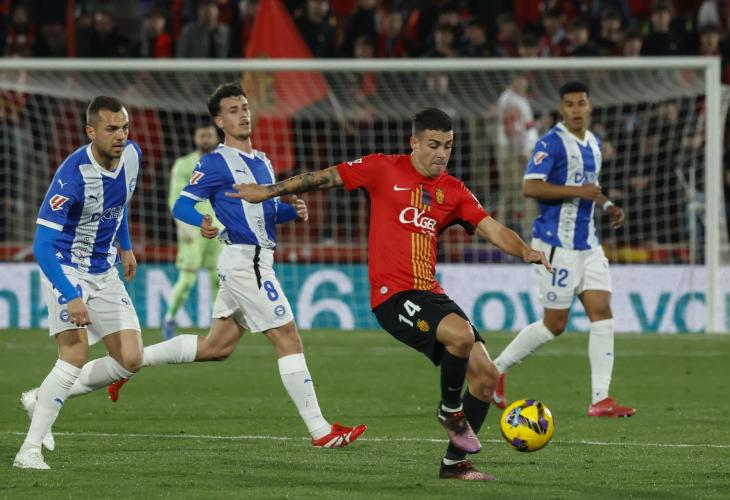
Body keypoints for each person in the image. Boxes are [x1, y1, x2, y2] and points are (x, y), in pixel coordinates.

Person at [227, 107, 552, 481]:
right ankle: (450, 411)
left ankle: (454, 464)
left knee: (486, 376)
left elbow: (491, 228)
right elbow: (325, 177)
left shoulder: (453, 191)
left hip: (430, 293)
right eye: (433, 145)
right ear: (414, 143)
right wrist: (268, 191)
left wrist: (525, 250)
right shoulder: (382, 168)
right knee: (461, 336)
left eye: (447, 146)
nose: (441, 154)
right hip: (392, 296)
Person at [109, 82, 366, 449]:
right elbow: (181, 204)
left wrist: (291, 212)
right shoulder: (215, 162)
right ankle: (321, 431)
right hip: (246, 262)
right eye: (233, 110)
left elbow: (266, 214)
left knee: (217, 347)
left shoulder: (262, 161)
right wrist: (202, 221)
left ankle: (129, 363)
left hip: (254, 258)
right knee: (288, 338)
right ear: (219, 121)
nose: (243, 114)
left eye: (244, 107)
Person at [491, 81, 636, 419]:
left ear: (589, 106)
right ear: (561, 109)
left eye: (581, 103)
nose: (576, 109)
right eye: (569, 104)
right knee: (554, 325)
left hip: (589, 244)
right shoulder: (550, 143)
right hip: (557, 246)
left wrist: (608, 205)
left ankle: (601, 399)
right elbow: (530, 187)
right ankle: (495, 369)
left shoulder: (593, 143)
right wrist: (576, 191)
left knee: (602, 312)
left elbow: (590, 188)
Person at [14, 96, 144, 469]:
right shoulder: (71, 176)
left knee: (131, 358)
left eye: (124, 127)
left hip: (104, 268)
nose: (120, 135)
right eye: (111, 129)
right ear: (90, 131)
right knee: (74, 353)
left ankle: (41, 397)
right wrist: (71, 295)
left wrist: (125, 246)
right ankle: (29, 450)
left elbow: (120, 204)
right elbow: (42, 246)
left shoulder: (131, 155)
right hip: (66, 267)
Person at [163, 124, 221, 339]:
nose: (206, 139)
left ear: (216, 138)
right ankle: (170, 318)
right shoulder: (184, 164)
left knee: (219, 278)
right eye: (202, 135)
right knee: (187, 279)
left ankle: (217, 324)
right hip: (193, 228)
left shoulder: (224, 163)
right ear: (195, 138)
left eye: (209, 135)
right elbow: (174, 198)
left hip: (219, 228)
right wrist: (183, 226)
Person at [495, 74, 539, 239]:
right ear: (513, 81)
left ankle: (519, 231)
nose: (523, 83)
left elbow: (526, 126)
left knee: (517, 193)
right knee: (516, 192)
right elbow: (509, 129)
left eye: (524, 80)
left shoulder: (518, 99)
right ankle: (504, 232)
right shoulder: (509, 100)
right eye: (520, 79)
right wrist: (523, 151)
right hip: (514, 153)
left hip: (520, 151)